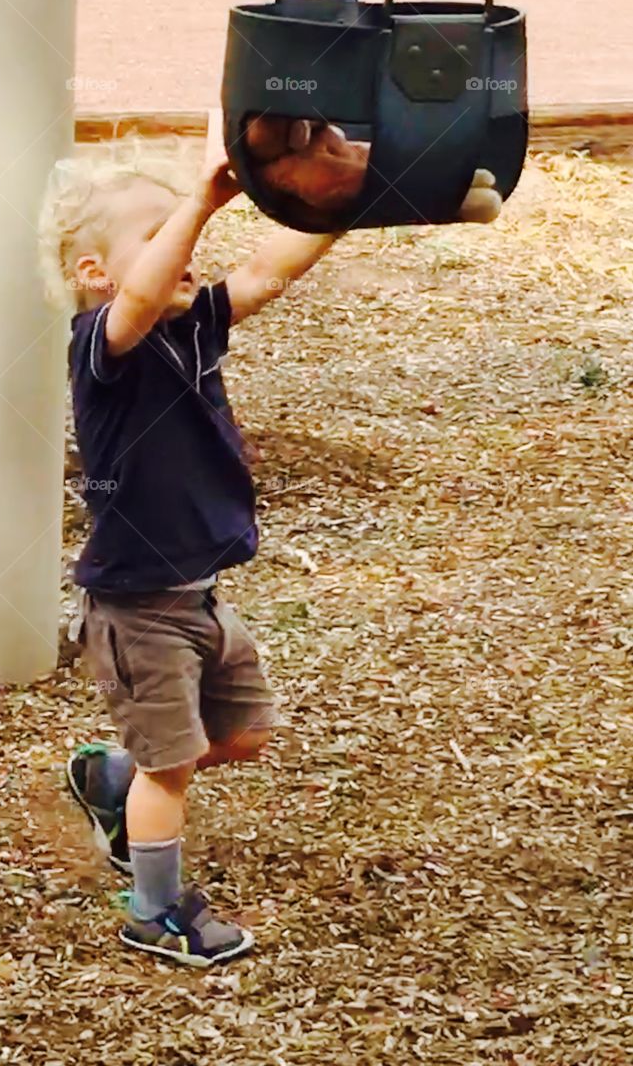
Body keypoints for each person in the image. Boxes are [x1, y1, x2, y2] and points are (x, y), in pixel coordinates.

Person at [42, 133, 501, 969]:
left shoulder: (193, 327)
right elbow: (140, 299)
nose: (184, 250)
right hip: (138, 603)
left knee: (242, 736)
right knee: (172, 769)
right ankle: (155, 911)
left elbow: (262, 272)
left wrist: (341, 203)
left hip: (199, 593)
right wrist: (201, 200)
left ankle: (114, 777)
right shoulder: (103, 347)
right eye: (160, 235)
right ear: (93, 276)